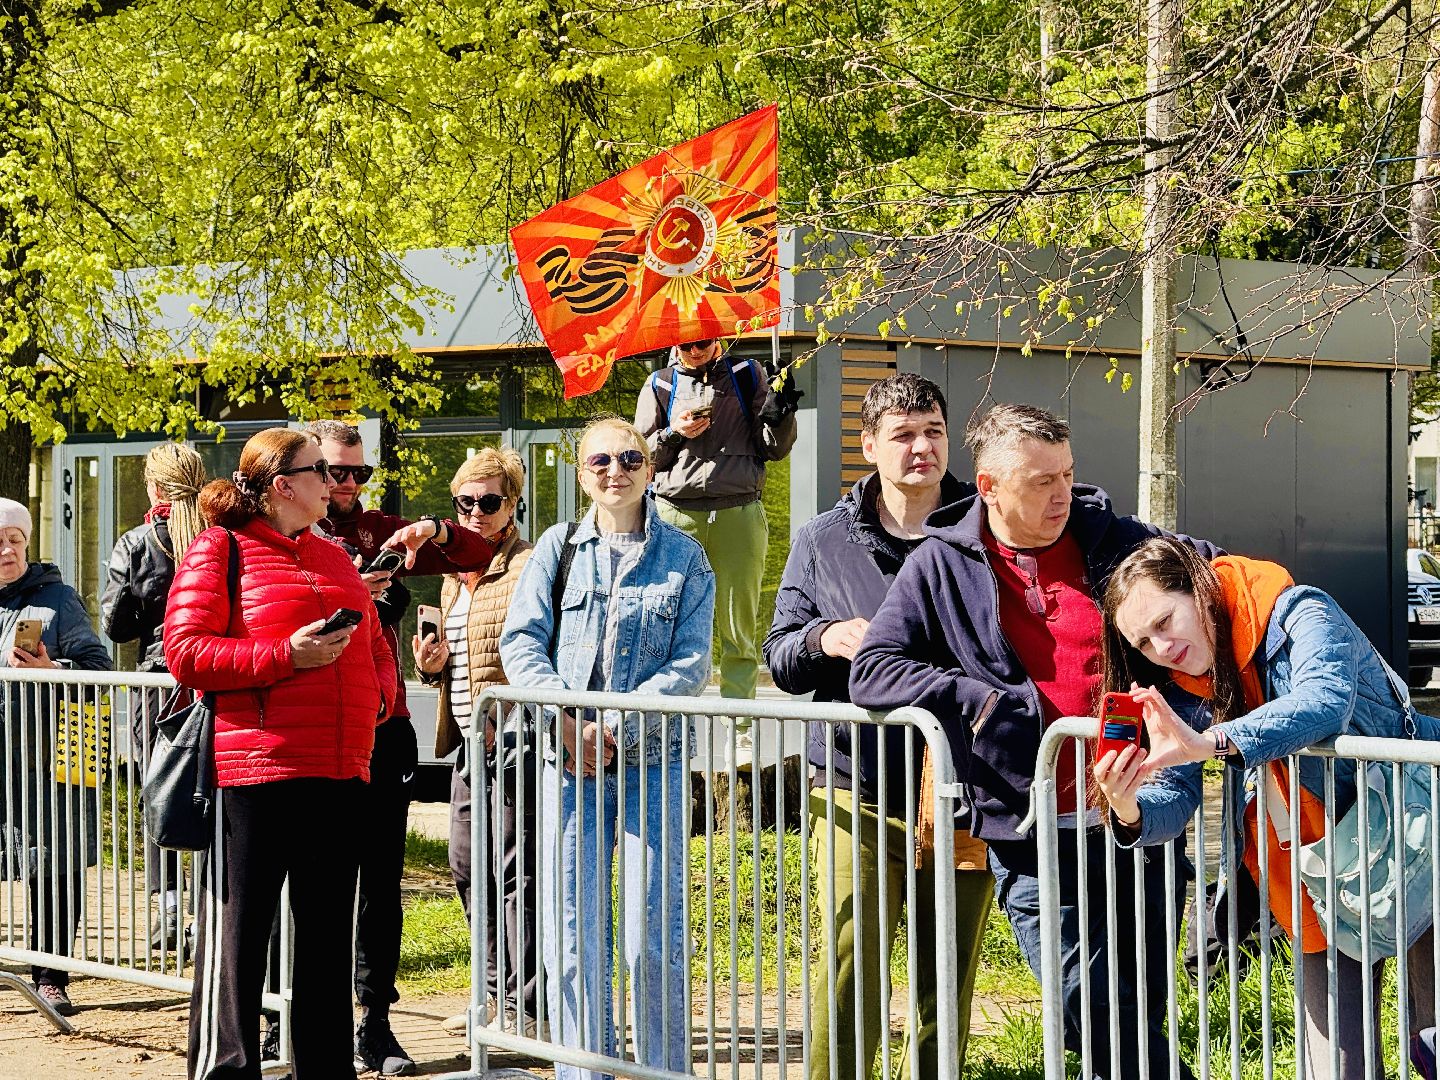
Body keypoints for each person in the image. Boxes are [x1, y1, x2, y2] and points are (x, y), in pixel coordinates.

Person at [849, 403, 1221, 1080]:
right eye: (1041, 481)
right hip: (1033, 834)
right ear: (989, 487)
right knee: (1095, 1016)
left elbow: (1217, 577)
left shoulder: (1112, 538)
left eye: (1068, 474)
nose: (1061, 494)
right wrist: (981, 701)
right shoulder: (941, 561)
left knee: (1136, 1017)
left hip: (1138, 821)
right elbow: (874, 670)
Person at [1094, 537, 1439, 1080]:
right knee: (1338, 1067)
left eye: (1164, 621)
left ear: (1199, 590)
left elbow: (1323, 700)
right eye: (1142, 641)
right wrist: (1128, 806)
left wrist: (1213, 742)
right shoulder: (1182, 685)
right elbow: (1174, 796)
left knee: (1432, 1042)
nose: (1160, 647)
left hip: (1412, 834)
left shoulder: (1301, 610)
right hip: (1312, 873)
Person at [763, 374, 991, 1078]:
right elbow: (779, 655)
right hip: (851, 786)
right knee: (848, 965)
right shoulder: (823, 540)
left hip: (960, 790)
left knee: (944, 977)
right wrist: (824, 638)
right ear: (868, 447)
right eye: (903, 435)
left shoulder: (988, 527)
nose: (921, 448)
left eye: (933, 432)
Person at [165, 427, 398, 1080]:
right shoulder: (221, 549)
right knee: (240, 944)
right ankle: (226, 1071)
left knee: (326, 946)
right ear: (282, 486)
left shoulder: (332, 555)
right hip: (255, 775)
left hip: (340, 771)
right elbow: (185, 653)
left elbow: (376, 641)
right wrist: (283, 655)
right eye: (319, 470)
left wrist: (378, 696)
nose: (334, 481)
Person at [500, 417, 715, 1079]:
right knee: (574, 936)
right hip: (566, 765)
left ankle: (661, 1071)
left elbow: (691, 661)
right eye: (600, 461)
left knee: (655, 937)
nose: (615, 470)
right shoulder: (556, 551)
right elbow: (522, 643)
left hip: (654, 764)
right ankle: (579, 1072)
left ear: (649, 469)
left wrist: (615, 725)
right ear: (581, 473)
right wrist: (566, 719)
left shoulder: (685, 557)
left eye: (629, 458)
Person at [305, 418, 498, 1076]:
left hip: (383, 725)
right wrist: (348, 591)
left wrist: (435, 531)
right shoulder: (287, 532)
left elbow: (476, 553)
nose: (351, 486)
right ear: (308, 471)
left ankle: (375, 1023)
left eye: (361, 474)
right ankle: (301, 1018)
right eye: (338, 473)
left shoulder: (379, 527)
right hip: (315, 729)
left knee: (381, 886)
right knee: (314, 881)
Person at [411, 447, 538, 1036]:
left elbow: (534, 653)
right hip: (467, 740)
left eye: (489, 502)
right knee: (465, 866)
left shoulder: (528, 564)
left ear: (512, 504)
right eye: (465, 503)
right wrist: (429, 665)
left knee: (514, 870)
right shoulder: (450, 574)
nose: (476, 513)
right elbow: (453, 662)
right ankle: (492, 992)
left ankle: (523, 1005)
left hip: (516, 737)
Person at [634, 338, 798, 726]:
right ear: (675, 343)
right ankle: (663, 721)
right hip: (675, 515)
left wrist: (780, 415)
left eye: (702, 342)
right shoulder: (659, 383)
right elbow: (640, 456)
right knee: (664, 621)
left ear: (718, 338)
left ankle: (738, 725)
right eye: (687, 344)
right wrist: (675, 432)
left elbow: (774, 449)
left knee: (737, 624)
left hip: (737, 511)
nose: (695, 351)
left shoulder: (747, 375)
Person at [0, 497, 112, 1016]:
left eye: (15, 541)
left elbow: (98, 669)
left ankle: (51, 975)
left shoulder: (57, 599)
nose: (7, 550)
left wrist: (51, 665)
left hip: (44, 760)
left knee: (54, 864)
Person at [101, 442, 208, 955]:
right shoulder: (221, 536)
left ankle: (167, 909)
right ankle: (210, 909)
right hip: (214, 685)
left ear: (156, 488)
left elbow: (116, 626)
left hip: (161, 684)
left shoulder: (138, 542)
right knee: (213, 796)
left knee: (162, 795)